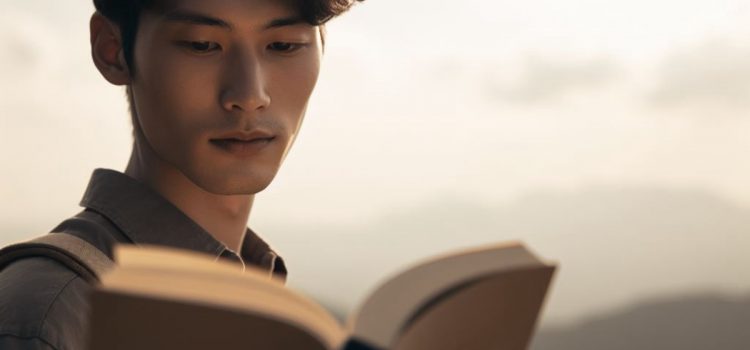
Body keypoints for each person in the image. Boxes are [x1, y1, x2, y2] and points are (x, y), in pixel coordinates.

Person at [0, 0, 361, 348]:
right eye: (202, 45)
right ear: (112, 49)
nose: (250, 95)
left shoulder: (261, 305)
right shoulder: (50, 316)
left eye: (283, 45)